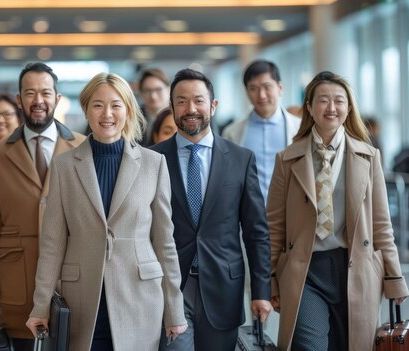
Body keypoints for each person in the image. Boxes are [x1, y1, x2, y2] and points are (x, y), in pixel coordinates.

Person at [25, 72, 186, 350]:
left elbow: (165, 243)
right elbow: (52, 244)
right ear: (86, 109)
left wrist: (174, 308)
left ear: (128, 109)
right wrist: (40, 306)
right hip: (82, 299)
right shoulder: (64, 166)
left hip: (139, 295)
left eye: (116, 105)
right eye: (98, 105)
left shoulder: (153, 164)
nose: (107, 113)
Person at [267, 71, 409, 350]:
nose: (331, 108)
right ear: (309, 107)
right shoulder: (287, 159)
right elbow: (274, 228)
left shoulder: (369, 157)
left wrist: (394, 278)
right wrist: (270, 281)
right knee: (310, 346)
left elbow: (381, 224)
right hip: (306, 270)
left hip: (356, 267)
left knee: (351, 345)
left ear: (348, 108)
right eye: (323, 100)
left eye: (339, 101)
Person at [151, 68, 272, 351]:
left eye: (198, 100)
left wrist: (261, 291)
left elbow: (256, 232)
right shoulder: (152, 159)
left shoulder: (241, 159)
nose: (190, 109)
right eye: (181, 101)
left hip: (223, 288)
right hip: (170, 287)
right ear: (171, 107)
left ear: (213, 105)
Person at [0, 62, 85, 351]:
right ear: (19, 100)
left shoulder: (83, 148)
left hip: (70, 276)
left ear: (57, 99)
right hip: (17, 278)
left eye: (46, 93)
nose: (38, 101)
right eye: (30, 93)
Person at [222, 59, 301, 203]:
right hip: (248, 217)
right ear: (247, 92)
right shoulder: (231, 133)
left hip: (290, 213)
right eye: (253, 88)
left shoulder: (300, 128)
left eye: (267, 86)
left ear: (280, 88)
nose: (261, 95)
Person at [138, 68, 170, 146]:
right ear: (141, 93)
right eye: (147, 91)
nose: (153, 96)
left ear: (169, 90)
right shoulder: (133, 118)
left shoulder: (178, 116)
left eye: (158, 90)